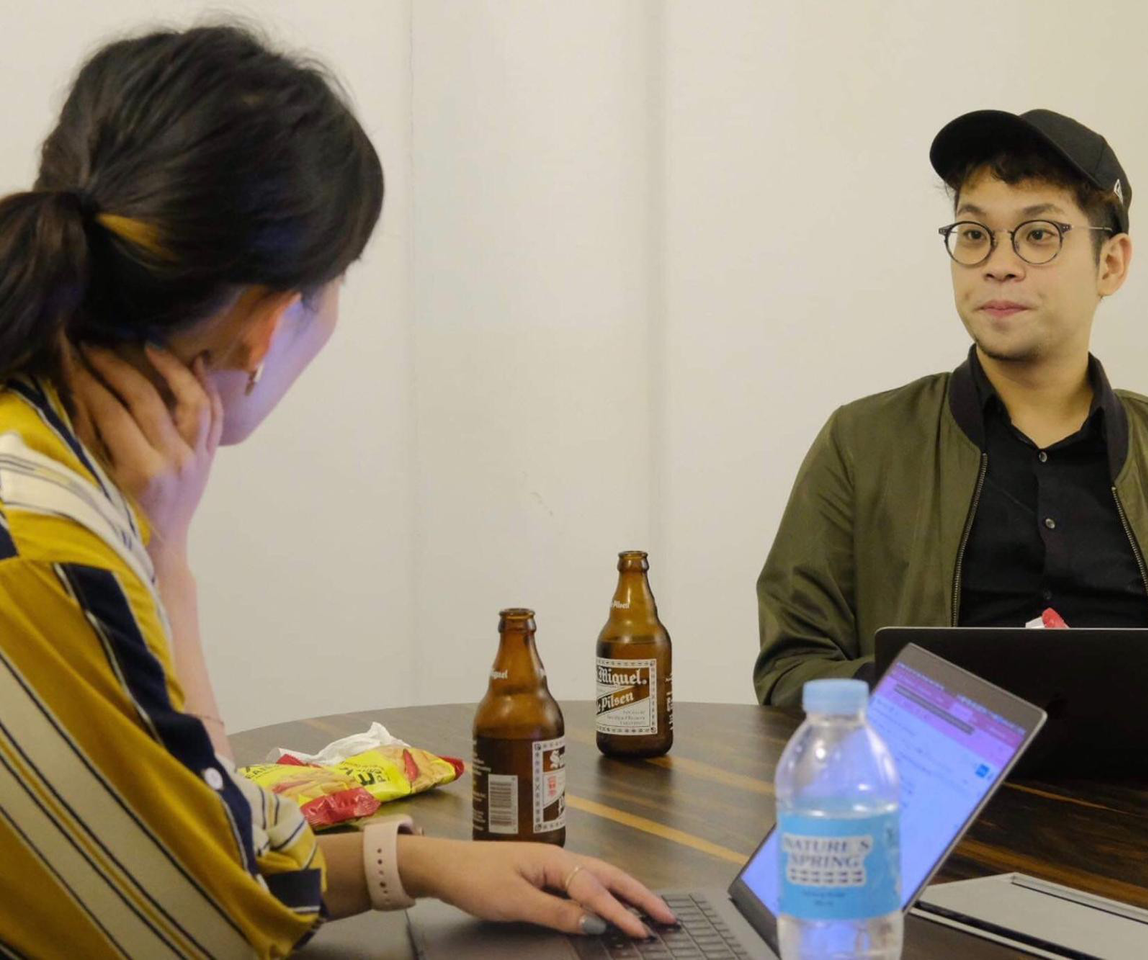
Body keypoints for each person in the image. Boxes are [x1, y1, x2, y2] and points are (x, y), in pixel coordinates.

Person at [0, 23, 672, 958]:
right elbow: (224, 917)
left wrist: (415, 863)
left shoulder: (39, 462)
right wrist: (169, 564)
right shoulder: (49, 551)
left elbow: (207, 837)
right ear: (270, 326)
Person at [754, 109, 1148, 755]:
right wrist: (944, 710)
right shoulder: (862, 444)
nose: (999, 264)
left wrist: (1146, 730)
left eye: (1039, 234)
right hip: (932, 804)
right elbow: (791, 667)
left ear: (1111, 263)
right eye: (975, 235)